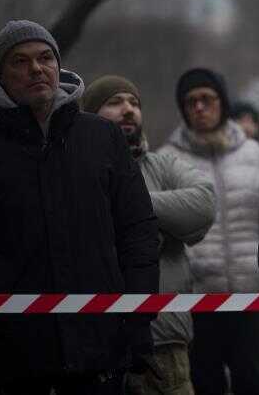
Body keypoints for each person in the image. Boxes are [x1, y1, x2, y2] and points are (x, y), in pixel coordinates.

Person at [0, 20, 160, 394]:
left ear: (58, 65)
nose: (36, 69)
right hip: (14, 352)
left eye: (45, 58)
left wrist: (138, 316)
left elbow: (137, 230)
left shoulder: (101, 139)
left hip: (100, 345)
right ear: (0, 76)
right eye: (20, 61)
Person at [83, 75, 216, 395]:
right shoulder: (77, 171)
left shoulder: (163, 164)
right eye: (114, 102)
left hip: (164, 339)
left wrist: (131, 204)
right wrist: (160, 220)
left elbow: (203, 205)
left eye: (134, 103)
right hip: (93, 341)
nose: (128, 109)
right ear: (89, 116)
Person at [159, 68, 259, 395]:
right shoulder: (167, 159)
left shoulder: (253, 154)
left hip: (249, 292)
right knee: (205, 382)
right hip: (197, 298)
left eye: (206, 99)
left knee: (252, 381)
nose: (199, 107)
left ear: (222, 103)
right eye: (191, 101)